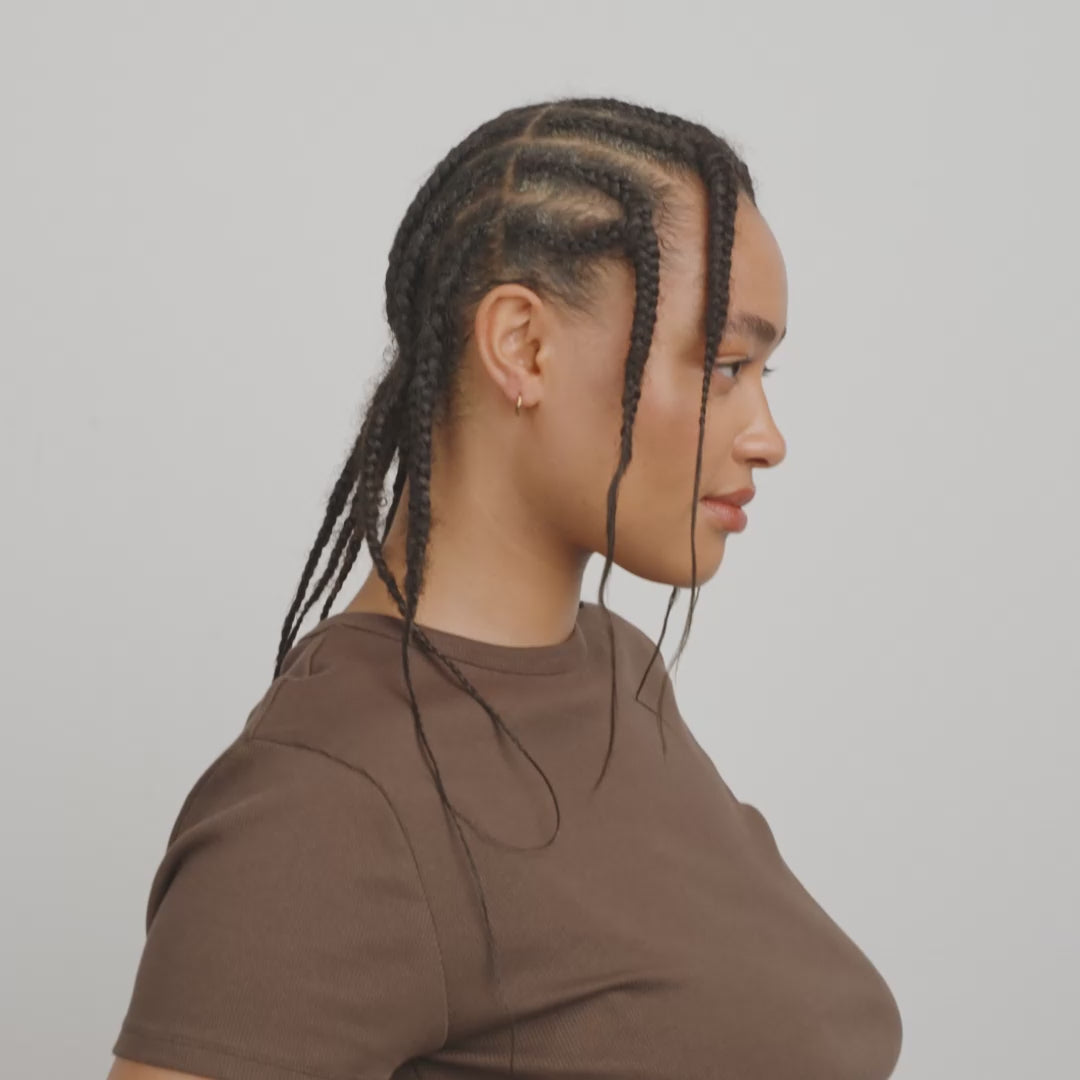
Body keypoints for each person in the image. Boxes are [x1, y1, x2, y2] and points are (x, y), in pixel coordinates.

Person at [107, 96, 903, 1080]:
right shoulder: (326, 805)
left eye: (764, 373)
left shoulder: (617, 674)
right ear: (523, 347)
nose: (767, 438)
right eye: (726, 365)